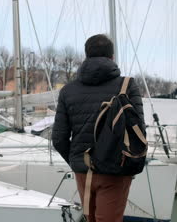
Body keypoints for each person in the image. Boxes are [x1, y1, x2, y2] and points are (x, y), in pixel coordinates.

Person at [52, 34, 144, 222]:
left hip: (83, 170)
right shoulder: (127, 86)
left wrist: (77, 161)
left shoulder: (68, 91)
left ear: (86, 56)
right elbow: (138, 131)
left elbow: (59, 138)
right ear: (111, 57)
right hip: (114, 169)